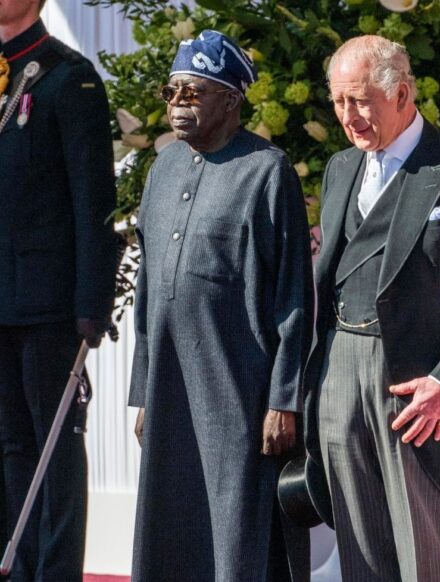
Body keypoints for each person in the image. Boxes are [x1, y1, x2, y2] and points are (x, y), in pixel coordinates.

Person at [303, 35, 440, 581]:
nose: (348, 116)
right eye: (338, 102)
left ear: (401, 93)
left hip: (416, 388)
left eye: (360, 100)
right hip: (339, 373)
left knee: (421, 553)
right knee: (360, 549)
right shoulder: (339, 168)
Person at [128, 30, 312, 581]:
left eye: (194, 92)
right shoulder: (161, 170)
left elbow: (293, 296)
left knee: (236, 527)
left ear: (231, 99)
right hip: (169, 385)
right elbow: (147, 289)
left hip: (239, 387)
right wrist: (142, 389)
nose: (178, 105)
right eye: (172, 92)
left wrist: (284, 397)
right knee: (168, 520)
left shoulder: (266, 171)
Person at [0, 0, 119, 578]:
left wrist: (91, 305)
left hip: (48, 308)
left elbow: (94, 202)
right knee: (7, 452)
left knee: (52, 458)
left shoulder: (69, 78)